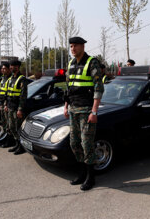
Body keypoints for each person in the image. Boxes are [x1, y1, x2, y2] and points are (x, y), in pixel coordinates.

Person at [64, 36, 104, 191]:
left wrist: (94, 111)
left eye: (75, 46)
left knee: (86, 144)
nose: (73, 49)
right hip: (73, 109)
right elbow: (68, 88)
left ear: (82, 46)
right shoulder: (71, 63)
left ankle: (90, 177)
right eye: (71, 46)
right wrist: (66, 106)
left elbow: (98, 88)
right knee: (74, 143)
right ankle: (81, 173)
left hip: (87, 110)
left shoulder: (91, 62)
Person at [5, 59, 28, 154]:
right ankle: (17, 144)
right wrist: (5, 104)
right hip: (10, 107)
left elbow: (23, 96)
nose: (11, 67)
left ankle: (21, 147)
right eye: (10, 66)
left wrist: (20, 109)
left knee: (18, 128)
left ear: (17, 67)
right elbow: (7, 93)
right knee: (12, 127)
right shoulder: (10, 79)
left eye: (13, 66)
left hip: (17, 108)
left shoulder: (22, 79)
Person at [0, 63, 12, 148]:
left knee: (9, 124)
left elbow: (9, 93)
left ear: (9, 69)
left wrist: (6, 104)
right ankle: (6, 139)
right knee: (4, 123)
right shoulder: (3, 78)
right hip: (2, 103)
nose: (3, 70)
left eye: (4, 68)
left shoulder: (10, 79)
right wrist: (1, 104)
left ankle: (10, 141)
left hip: (7, 104)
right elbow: (0, 91)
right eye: (2, 69)